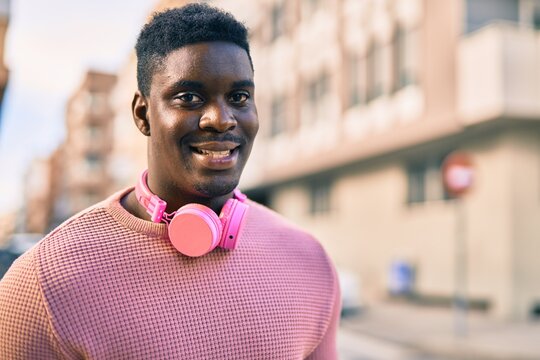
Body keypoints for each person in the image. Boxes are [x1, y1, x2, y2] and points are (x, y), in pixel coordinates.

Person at [0, 3, 341, 359]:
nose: (221, 120)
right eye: (189, 97)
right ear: (142, 114)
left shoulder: (310, 261)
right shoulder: (43, 284)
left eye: (239, 97)